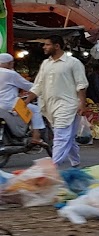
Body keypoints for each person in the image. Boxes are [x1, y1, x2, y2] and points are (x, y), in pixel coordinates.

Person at [30, 34, 88, 168]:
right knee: (68, 136)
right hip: (50, 106)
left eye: (47, 44)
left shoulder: (73, 62)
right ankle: (75, 162)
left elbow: (81, 84)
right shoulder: (46, 64)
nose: (44, 47)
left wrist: (82, 104)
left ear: (57, 46)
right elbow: (37, 85)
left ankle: (52, 168)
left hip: (68, 105)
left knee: (61, 136)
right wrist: (26, 101)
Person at [0, 53, 44, 145]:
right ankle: (36, 136)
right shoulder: (10, 74)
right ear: (9, 63)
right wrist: (41, 88)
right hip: (9, 104)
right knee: (35, 109)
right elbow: (29, 86)